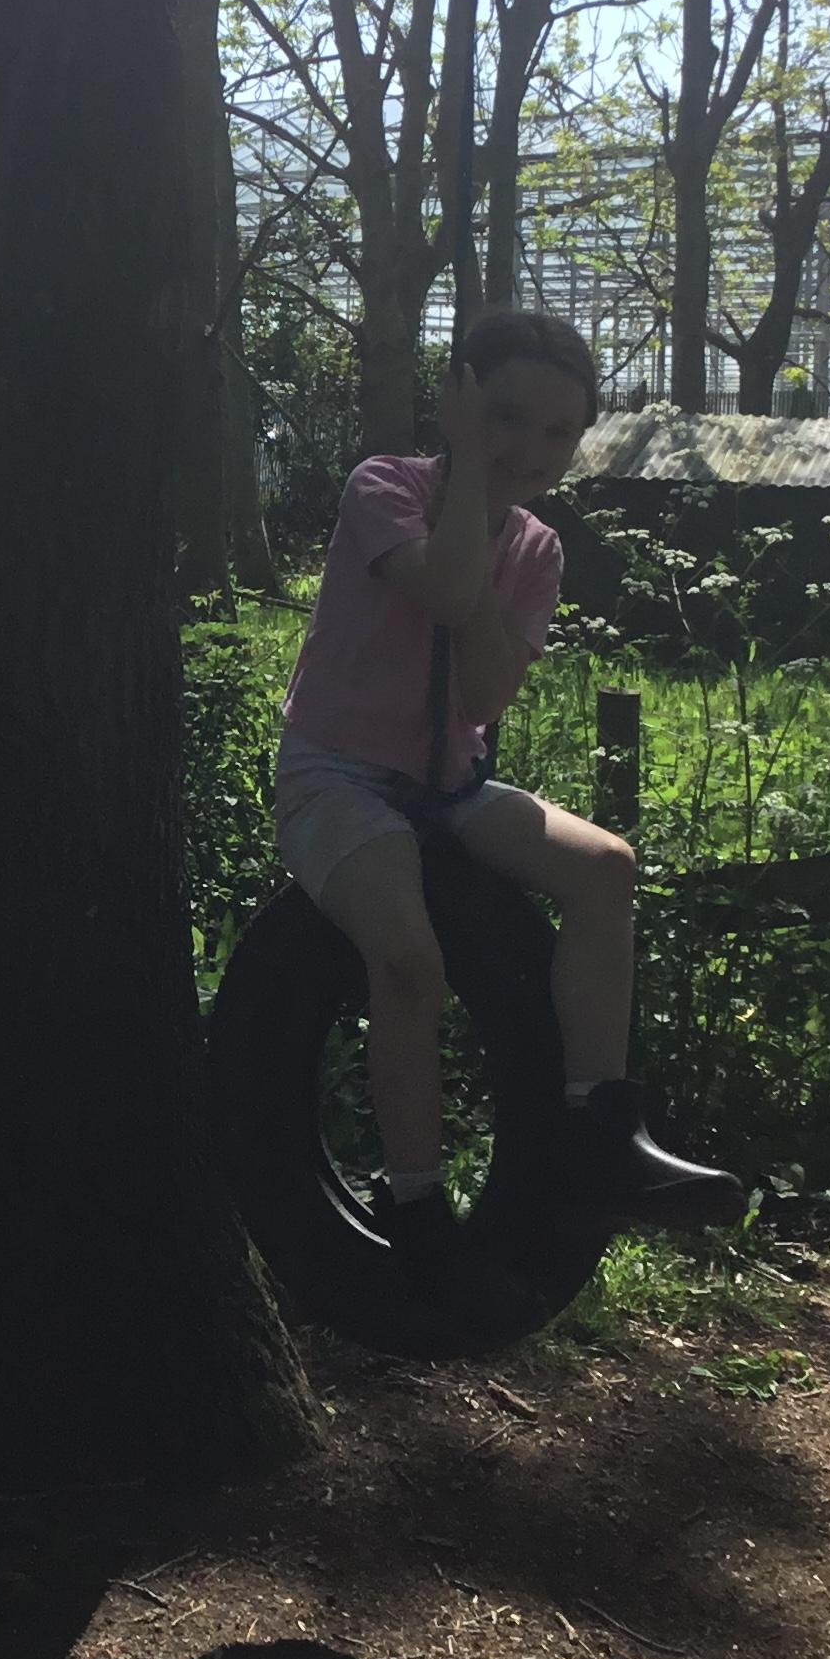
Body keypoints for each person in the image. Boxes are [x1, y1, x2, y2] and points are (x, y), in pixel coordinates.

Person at [274, 308, 740, 1272]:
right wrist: (467, 489)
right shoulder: (383, 488)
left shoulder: (537, 550)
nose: (529, 450)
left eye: (558, 432)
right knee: (410, 960)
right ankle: (413, 1201)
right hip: (335, 774)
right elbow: (445, 595)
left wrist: (487, 520)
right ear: (457, 405)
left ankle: (602, 1133)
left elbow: (481, 698)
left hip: (448, 783)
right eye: (506, 418)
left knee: (607, 867)